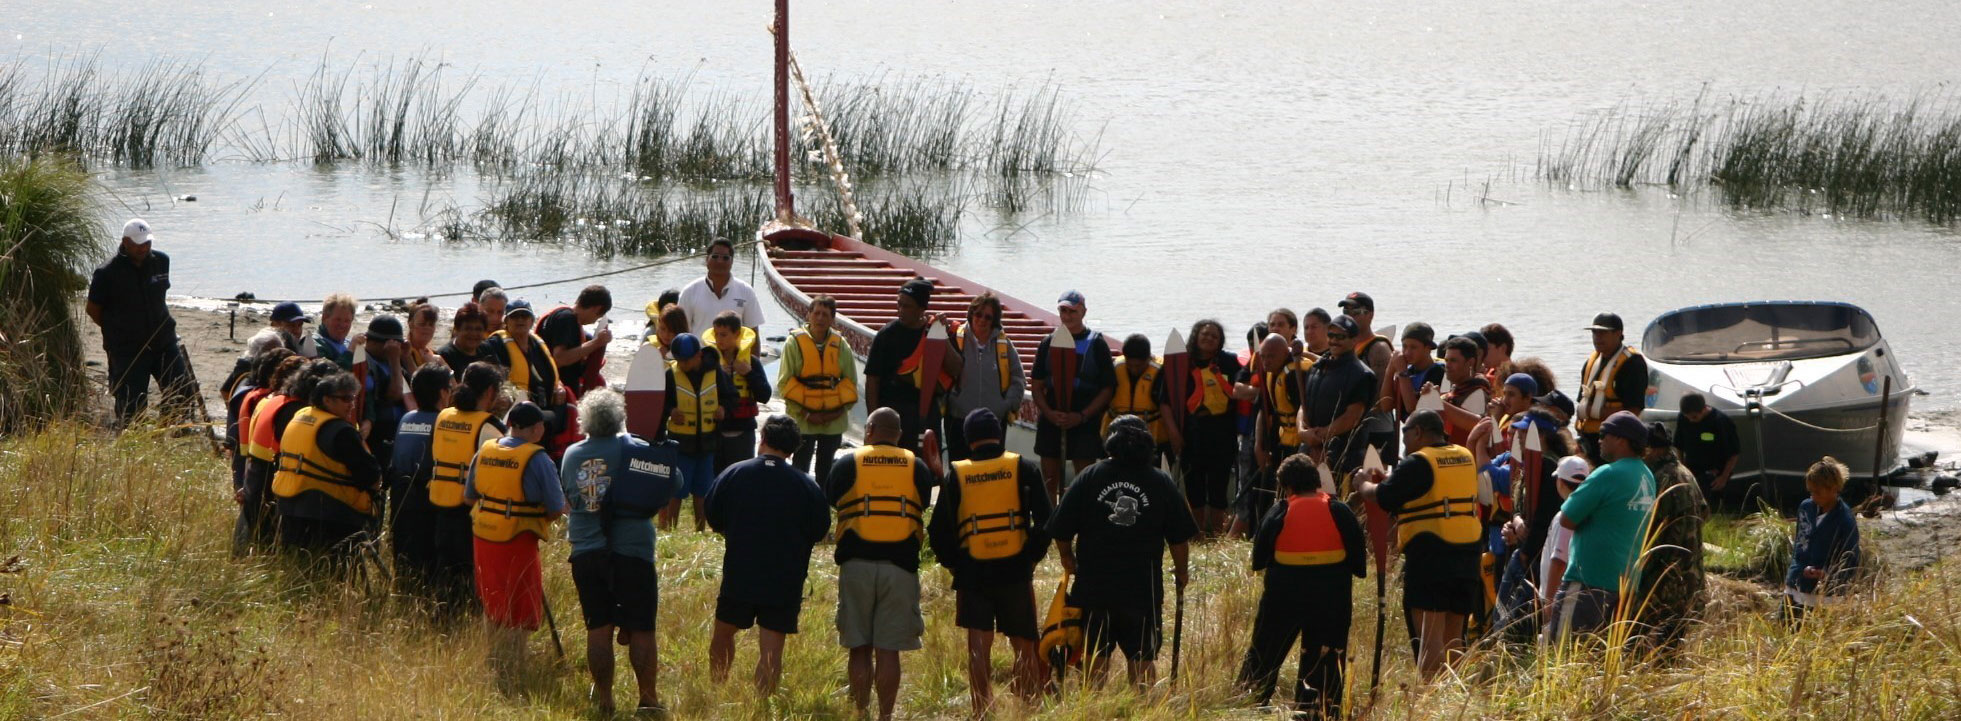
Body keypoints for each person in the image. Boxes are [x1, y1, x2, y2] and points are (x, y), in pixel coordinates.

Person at [1047, 415, 1198, 687]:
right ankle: (1142, 712)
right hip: (1142, 590)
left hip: (1095, 588)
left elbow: (1060, 528)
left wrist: (1066, 556)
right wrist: (1182, 572)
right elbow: (1179, 538)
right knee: (1142, 659)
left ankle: (1092, 713)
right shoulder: (1160, 482)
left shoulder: (1089, 476)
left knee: (1095, 656)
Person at [559, 388, 679, 715]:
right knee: (642, 627)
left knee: (598, 627)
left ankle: (604, 701)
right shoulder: (637, 449)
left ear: (585, 419)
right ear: (619, 418)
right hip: (634, 551)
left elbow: (570, 494)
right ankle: (648, 699)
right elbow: (675, 481)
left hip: (586, 550)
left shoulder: (571, 455)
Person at [927, 409, 1052, 713]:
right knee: (1023, 643)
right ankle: (1028, 708)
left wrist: (955, 565)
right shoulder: (1024, 468)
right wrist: (1031, 557)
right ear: (999, 434)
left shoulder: (957, 474)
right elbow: (1048, 520)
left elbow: (938, 531)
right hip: (1015, 569)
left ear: (969, 439)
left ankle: (981, 710)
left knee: (978, 647)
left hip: (974, 571)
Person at [706, 415, 832, 695]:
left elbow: (713, 516)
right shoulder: (806, 485)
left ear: (762, 438)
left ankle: (716, 691)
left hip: (741, 571)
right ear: (793, 449)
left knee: (723, 634)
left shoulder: (734, 473)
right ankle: (761, 705)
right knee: (772, 651)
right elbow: (819, 529)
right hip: (785, 576)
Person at [825, 408, 936, 721]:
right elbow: (924, 502)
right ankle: (885, 716)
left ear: (869, 430)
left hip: (856, 565)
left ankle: (861, 714)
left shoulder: (848, 462)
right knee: (889, 650)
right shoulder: (917, 467)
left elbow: (833, 499)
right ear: (899, 435)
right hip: (900, 568)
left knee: (859, 648)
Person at [1238, 454, 1366, 719]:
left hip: (1283, 597)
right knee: (1325, 665)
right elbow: (1359, 565)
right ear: (1317, 482)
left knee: (1263, 656)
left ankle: (1247, 705)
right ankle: (1316, 713)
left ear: (1285, 487)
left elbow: (1258, 560)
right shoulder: (1339, 510)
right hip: (1332, 599)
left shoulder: (1279, 511)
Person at [1357, 410, 1481, 682]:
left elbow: (1385, 497)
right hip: (1468, 552)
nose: (1404, 441)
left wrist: (1363, 484)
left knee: (1428, 631)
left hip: (1431, 551)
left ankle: (1430, 696)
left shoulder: (1419, 462)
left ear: (1418, 432)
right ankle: (1451, 694)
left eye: (1405, 434)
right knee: (1454, 631)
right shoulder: (1464, 455)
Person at [464, 401, 568, 681]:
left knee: (493, 596)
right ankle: (513, 666)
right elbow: (557, 508)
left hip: (484, 535)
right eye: (543, 424)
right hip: (518, 538)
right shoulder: (538, 458)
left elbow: (470, 496)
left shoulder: (485, 450)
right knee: (520, 602)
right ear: (536, 429)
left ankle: (495, 660)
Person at [1547, 411, 1656, 640]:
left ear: (1622, 440)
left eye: (1604, 434)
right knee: (1601, 659)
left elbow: (1567, 518)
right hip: (1625, 583)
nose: (1599, 440)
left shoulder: (1607, 474)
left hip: (1589, 580)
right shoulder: (1647, 475)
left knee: (1563, 653)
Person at [86, 218, 195, 426]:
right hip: (127, 349)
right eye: (138, 243)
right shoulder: (107, 273)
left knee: (182, 390)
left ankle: (166, 431)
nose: (144, 247)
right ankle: (134, 441)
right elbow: (93, 309)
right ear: (125, 242)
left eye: (147, 242)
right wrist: (116, 329)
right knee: (131, 406)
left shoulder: (161, 261)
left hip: (164, 341)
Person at [270, 370, 383, 563]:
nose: (352, 405)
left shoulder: (299, 417)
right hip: (331, 514)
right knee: (333, 574)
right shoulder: (341, 431)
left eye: (353, 398)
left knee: (296, 571)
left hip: (289, 506)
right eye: (346, 399)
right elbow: (370, 475)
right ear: (327, 400)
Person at [427, 362, 509, 608]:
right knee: (470, 578)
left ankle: (444, 623)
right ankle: (467, 626)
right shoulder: (489, 426)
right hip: (471, 512)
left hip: (440, 505)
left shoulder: (443, 416)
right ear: (491, 392)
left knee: (447, 576)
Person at [1031, 290, 1116, 499]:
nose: (1067, 316)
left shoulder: (1097, 343)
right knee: (1049, 480)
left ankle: (1083, 527)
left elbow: (1108, 389)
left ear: (1083, 311)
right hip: (1052, 418)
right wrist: (1050, 413)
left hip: (1084, 420)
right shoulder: (1047, 343)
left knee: (1085, 480)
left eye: (1072, 311)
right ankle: (1049, 524)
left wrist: (1082, 416)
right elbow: (1036, 386)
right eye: (1063, 310)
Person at [863, 278, 962, 454]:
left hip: (926, 414)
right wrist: (873, 421)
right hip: (893, 413)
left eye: (906, 306)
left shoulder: (936, 332)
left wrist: (942, 335)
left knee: (926, 468)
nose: (900, 310)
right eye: (898, 304)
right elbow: (872, 380)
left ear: (921, 309)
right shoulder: (886, 335)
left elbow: (956, 370)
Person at [1635, 422, 1708, 650]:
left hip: (1664, 572)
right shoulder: (1686, 472)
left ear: (1651, 449)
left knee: (1641, 636)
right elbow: (1705, 513)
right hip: (1688, 570)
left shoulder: (1659, 478)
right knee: (1673, 636)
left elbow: (1647, 526)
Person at [653, 333, 737, 531]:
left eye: (687, 360)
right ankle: (670, 530)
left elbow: (732, 397)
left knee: (703, 491)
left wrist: (724, 409)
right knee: (676, 491)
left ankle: (700, 531)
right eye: (679, 360)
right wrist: (670, 411)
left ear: (699, 355)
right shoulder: (670, 375)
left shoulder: (715, 373)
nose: (682, 364)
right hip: (680, 445)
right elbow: (660, 404)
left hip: (707, 444)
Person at [778, 295, 859, 487]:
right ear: (809, 315)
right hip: (803, 419)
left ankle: (822, 507)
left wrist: (837, 412)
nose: (820, 318)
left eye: (826, 314)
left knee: (826, 470)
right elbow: (784, 384)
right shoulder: (793, 343)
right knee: (800, 468)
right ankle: (799, 508)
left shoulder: (841, 345)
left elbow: (851, 383)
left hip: (834, 421)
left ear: (833, 319)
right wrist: (806, 413)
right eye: (816, 313)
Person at [234, 353, 306, 555]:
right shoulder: (289, 408)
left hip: (252, 478)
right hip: (269, 485)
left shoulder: (264, 400)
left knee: (251, 538)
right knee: (263, 543)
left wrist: (239, 481)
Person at [388, 362, 451, 592]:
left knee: (405, 560)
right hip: (427, 501)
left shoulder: (407, 418)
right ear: (443, 393)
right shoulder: (444, 422)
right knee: (428, 564)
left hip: (400, 498)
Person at [1297, 314, 1376, 494]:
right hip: (1309, 451)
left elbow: (1352, 417)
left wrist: (1321, 438)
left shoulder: (1362, 375)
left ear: (1354, 339)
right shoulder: (1315, 368)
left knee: (1337, 510)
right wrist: (1303, 432)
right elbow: (1303, 405)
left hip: (1342, 456)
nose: (1333, 341)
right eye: (1331, 335)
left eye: (1340, 337)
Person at [945, 292, 1028, 463]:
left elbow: (1018, 378)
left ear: (995, 320)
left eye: (988, 317)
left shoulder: (1003, 344)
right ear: (971, 314)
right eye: (978, 314)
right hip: (959, 419)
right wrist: (953, 400)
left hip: (993, 423)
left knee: (991, 471)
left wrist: (1006, 405)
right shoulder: (955, 337)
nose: (982, 320)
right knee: (959, 471)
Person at [1179, 319, 1241, 533]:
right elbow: (1166, 401)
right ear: (1196, 335)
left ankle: (1216, 533)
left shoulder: (1229, 363)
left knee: (1218, 486)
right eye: (1205, 334)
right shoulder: (1182, 363)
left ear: (1220, 342)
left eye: (1214, 336)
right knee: (1193, 485)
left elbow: (1241, 389)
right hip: (1191, 433)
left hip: (1222, 433)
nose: (1209, 338)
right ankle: (1197, 533)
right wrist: (1174, 433)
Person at [1784, 456, 1862, 620]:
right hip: (1796, 580)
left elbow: (1850, 559)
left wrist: (1826, 573)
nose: (1813, 496)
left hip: (1825, 592)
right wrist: (1798, 569)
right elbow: (1800, 543)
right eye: (1810, 491)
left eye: (1817, 492)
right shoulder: (1805, 508)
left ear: (1834, 489)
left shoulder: (1845, 521)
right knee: (1785, 625)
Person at [1241, 334, 1303, 535]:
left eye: (1271, 357)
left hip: (1297, 442)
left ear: (1285, 354)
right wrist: (1260, 445)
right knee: (1268, 486)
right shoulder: (1269, 374)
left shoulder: (1296, 375)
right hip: (1279, 441)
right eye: (1263, 357)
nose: (1266, 362)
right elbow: (1264, 411)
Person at [1574, 313, 1650, 464]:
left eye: (1603, 332)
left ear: (1618, 333)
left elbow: (1633, 412)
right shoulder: (1592, 360)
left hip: (1613, 444)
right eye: (1594, 332)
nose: (1597, 337)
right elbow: (1582, 401)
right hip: (1587, 441)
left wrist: (1595, 412)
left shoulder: (1632, 364)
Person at [707, 310, 773, 475]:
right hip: (716, 431)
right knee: (715, 480)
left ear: (737, 334)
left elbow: (765, 396)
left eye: (723, 335)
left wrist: (749, 373)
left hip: (743, 432)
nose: (718, 339)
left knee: (741, 478)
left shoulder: (751, 362)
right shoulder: (709, 363)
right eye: (716, 334)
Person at [1535, 456, 1593, 631]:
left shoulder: (1565, 516)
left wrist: (1549, 601)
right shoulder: (1590, 512)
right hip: (1579, 596)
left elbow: (1559, 560)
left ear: (1560, 482)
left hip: (1559, 599)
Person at [1338, 292, 1396, 465]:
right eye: (1346, 312)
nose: (1349, 317)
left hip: (1375, 429)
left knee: (1372, 482)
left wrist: (1348, 416)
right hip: (1351, 427)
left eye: (1355, 312)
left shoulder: (1378, 348)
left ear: (1370, 315)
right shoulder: (1345, 346)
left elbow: (1380, 399)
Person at [679, 238, 766, 338]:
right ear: (707, 259)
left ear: (732, 261)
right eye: (715, 256)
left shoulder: (746, 291)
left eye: (725, 258)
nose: (720, 261)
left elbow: (753, 333)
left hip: (734, 353)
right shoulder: (689, 291)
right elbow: (681, 332)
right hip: (700, 352)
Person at [537, 284, 613, 397]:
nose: (594, 321)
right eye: (598, 317)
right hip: (556, 392)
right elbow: (559, 358)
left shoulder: (563, 316)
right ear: (596, 309)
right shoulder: (567, 319)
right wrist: (597, 343)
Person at [1103, 334, 1167, 465]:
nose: (1134, 369)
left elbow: (1166, 405)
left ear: (1148, 358)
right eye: (1130, 365)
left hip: (1150, 438)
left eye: (1138, 366)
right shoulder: (1115, 366)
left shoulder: (1161, 370)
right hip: (1116, 437)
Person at [1673, 393, 1741, 507]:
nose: (1690, 420)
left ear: (1704, 409)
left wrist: (1724, 477)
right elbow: (1679, 445)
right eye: (1687, 417)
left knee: (1712, 507)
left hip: (1715, 475)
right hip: (1692, 471)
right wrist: (1682, 469)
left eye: (1694, 417)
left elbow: (1734, 453)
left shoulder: (1721, 421)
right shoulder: (1682, 418)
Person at [359, 315, 411, 457]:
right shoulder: (365, 363)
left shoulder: (389, 361)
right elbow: (394, 395)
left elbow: (415, 388)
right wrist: (394, 360)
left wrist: (406, 358)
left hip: (397, 434)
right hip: (379, 435)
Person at [1436, 336, 1491, 447]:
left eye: (1453, 361)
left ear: (1470, 363)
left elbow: (1475, 425)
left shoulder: (1478, 391)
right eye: (1446, 360)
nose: (1447, 365)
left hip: (1465, 457)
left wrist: (1438, 402)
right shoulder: (1455, 390)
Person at [1385, 322, 1446, 422]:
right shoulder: (1408, 370)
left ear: (1428, 348)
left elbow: (1413, 410)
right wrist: (1389, 371)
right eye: (1404, 346)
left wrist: (1402, 373)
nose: (1407, 352)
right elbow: (1386, 405)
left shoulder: (1438, 372)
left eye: (1413, 347)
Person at [437, 302, 497, 374]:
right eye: (468, 328)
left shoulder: (486, 349)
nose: (473, 333)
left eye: (478, 329)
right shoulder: (445, 356)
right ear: (457, 329)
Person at [306, 293, 359, 369]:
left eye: (347, 321)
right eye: (338, 319)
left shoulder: (348, 343)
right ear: (325, 318)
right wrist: (350, 353)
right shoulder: (315, 344)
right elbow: (328, 376)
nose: (342, 325)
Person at [244, 301, 309, 360]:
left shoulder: (300, 347)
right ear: (274, 324)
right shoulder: (266, 344)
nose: (297, 330)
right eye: (291, 325)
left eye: (300, 325)